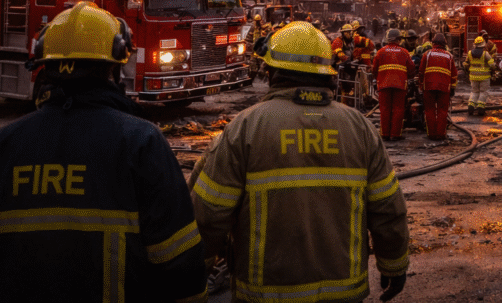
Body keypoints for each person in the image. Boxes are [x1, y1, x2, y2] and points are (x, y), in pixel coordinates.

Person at [0, 2, 206, 301]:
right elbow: (178, 258)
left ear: (46, 63)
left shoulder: (5, 143)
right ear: (115, 68)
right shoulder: (142, 142)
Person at [192, 21, 409, 302]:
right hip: (343, 291)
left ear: (271, 71)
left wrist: (193, 274)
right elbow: (387, 207)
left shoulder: (245, 128)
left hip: (265, 293)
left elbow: (208, 213)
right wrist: (393, 264)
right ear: (327, 74)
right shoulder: (359, 127)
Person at [373, 28, 417, 141]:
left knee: (385, 109)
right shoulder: (404, 52)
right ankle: (395, 134)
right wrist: (410, 77)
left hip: (383, 85)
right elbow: (411, 69)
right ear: (398, 39)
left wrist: (377, 79)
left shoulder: (380, 52)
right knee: (398, 109)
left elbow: (374, 69)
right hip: (400, 85)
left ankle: (385, 134)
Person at [418, 32, 457, 140]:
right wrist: (453, 88)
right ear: (444, 44)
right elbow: (454, 74)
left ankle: (431, 134)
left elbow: (421, 71)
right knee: (442, 111)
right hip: (444, 87)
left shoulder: (427, 54)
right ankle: (440, 134)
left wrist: (421, 85)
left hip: (429, 87)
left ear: (433, 43)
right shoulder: (449, 56)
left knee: (429, 110)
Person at [466, 35, 496, 117]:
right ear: (483, 45)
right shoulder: (485, 54)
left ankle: (471, 106)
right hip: (484, 77)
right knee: (483, 92)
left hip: (473, 77)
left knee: (474, 91)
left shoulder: (469, 53)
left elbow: (466, 64)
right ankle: (480, 109)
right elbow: (492, 64)